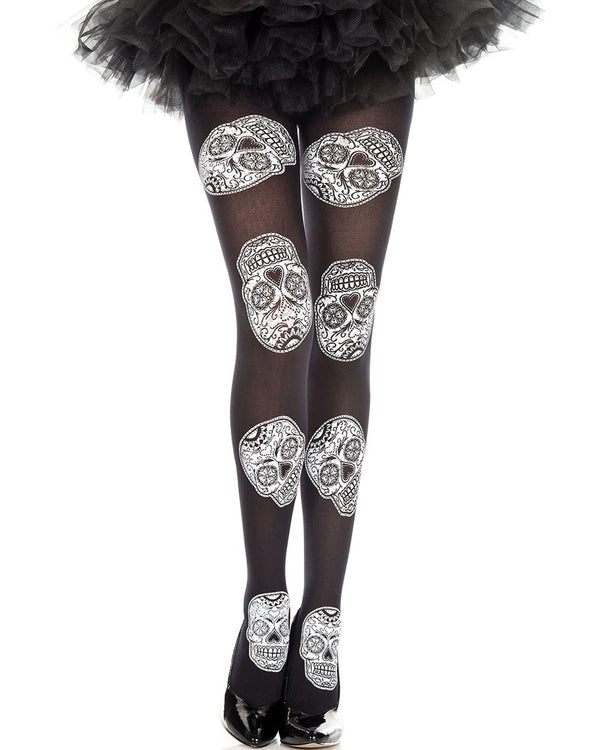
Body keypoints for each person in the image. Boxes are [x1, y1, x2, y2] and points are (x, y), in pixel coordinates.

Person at [72, 1, 545, 746]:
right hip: (222, 20)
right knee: (278, 313)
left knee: (346, 318)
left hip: (370, 17)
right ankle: (266, 606)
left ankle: (323, 619)